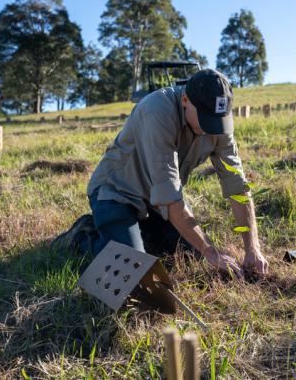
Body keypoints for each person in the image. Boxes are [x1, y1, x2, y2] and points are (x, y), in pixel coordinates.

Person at [81, 69, 268, 278]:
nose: (210, 130)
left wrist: (253, 248)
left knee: (188, 254)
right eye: (205, 120)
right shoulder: (157, 111)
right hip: (117, 192)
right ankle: (86, 234)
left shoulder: (218, 119)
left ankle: (141, 230)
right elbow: (170, 196)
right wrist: (211, 252)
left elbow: (236, 185)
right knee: (130, 270)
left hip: (156, 198)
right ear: (186, 100)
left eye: (217, 122)